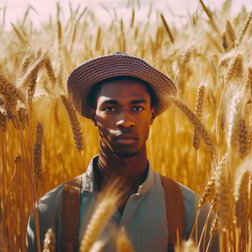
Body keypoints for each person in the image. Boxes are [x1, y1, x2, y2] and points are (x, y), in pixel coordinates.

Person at [26, 52, 217, 252]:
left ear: (152, 114)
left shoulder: (194, 212)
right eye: (110, 108)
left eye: (137, 107)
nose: (125, 120)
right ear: (93, 116)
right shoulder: (49, 212)